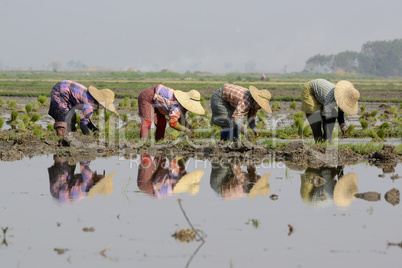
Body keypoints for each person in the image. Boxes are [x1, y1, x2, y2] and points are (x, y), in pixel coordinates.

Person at [48, 80, 118, 137]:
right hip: (60, 91)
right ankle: (61, 139)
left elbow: (85, 118)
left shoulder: (91, 99)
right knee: (62, 116)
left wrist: (94, 129)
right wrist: (88, 136)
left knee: (72, 118)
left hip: (64, 88)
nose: (103, 108)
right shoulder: (90, 104)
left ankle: (69, 136)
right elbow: (83, 124)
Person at [138, 84, 205, 141]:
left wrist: (189, 127)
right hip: (148, 97)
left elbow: (181, 119)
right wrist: (186, 130)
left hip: (158, 102)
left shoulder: (183, 107)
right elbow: (173, 123)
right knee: (147, 122)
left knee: (162, 123)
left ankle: (159, 142)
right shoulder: (176, 105)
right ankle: (143, 144)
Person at [301, 79, 360, 143]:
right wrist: (327, 137)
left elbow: (340, 112)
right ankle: (318, 141)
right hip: (310, 90)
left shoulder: (343, 98)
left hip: (322, 95)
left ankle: (324, 140)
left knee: (333, 113)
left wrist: (343, 126)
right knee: (315, 117)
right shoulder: (332, 97)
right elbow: (326, 117)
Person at [137, 154, 204, 198]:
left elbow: (171, 159)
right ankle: (160, 139)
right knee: (161, 155)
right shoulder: (180, 175)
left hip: (147, 186)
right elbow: (180, 165)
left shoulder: (176, 176)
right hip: (157, 177)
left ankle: (144, 141)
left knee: (146, 160)